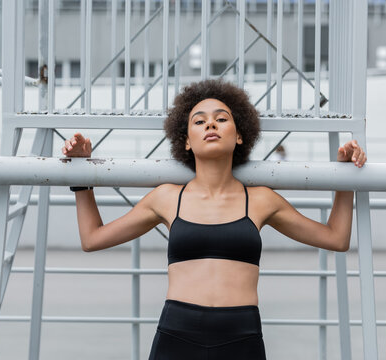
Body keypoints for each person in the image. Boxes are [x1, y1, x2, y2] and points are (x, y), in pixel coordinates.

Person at [61, 79, 366, 360]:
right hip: (176, 335)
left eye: (222, 118)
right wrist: (82, 174)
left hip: (241, 336)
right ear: (186, 142)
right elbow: (92, 238)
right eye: (199, 120)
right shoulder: (167, 197)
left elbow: (336, 238)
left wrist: (344, 175)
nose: (211, 123)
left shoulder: (261, 199)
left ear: (240, 135)